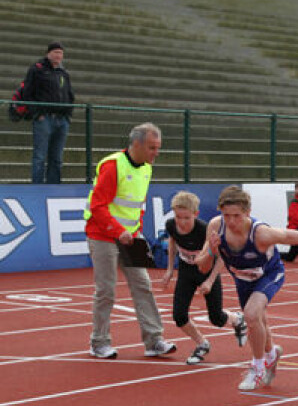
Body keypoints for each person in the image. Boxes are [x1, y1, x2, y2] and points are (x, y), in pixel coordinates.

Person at [200, 185, 298, 390]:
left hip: (269, 274)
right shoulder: (215, 227)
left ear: (248, 212)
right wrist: (211, 253)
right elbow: (202, 265)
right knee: (258, 323)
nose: (231, 221)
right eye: (226, 215)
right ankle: (271, 354)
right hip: (242, 279)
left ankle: (257, 367)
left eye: (237, 216)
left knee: (250, 314)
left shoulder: (262, 233)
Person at [84, 123, 176, 359]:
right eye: (152, 148)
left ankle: (153, 340)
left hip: (131, 235)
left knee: (142, 285)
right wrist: (117, 231)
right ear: (136, 144)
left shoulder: (146, 168)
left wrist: (134, 232)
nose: (156, 153)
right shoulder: (113, 166)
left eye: (158, 148)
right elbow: (97, 206)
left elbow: (137, 206)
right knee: (106, 290)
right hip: (102, 235)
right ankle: (99, 342)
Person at [160, 191, 248, 365]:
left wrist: (210, 280)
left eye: (186, 218)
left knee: (216, 318)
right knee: (179, 316)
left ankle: (237, 319)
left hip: (207, 271)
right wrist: (170, 269)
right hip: (186, 271)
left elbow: (222, 256)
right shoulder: (171, 225)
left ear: (195, 214)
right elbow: (173, 241)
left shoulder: (204, 230)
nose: (182, 222)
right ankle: (202, 343)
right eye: (178, 217)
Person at [23, 41, 74, 184]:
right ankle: (37, 186)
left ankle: (54, 186)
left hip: (61, 119)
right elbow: (27, 93)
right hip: (44, 118)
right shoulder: (37, 69)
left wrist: (68, 114)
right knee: (40, 156)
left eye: (61, 53)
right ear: (48, 54)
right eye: (56, 52)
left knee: (56, 158)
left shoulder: (64, 73)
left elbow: (69, 94)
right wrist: (37, 114)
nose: (58, 56)